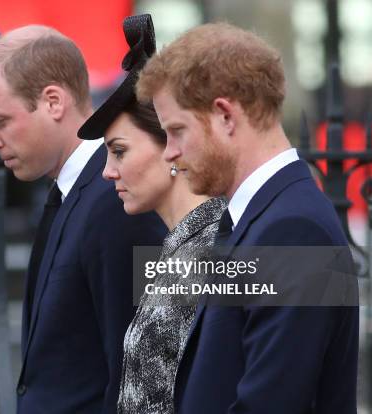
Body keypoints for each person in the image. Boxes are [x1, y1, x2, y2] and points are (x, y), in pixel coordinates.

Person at [136, 22, 359, 413]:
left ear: (225, 116)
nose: (168, 152)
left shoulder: (292, 231)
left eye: (176, 130)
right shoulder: (259, 217)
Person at [0, 25, 166, 413]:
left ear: (53, 101)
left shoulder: (116, 198)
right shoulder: (78, 191)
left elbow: (136, 374)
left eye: (0, 121)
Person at [78, 15, 226, 413]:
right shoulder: (179, 246)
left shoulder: (217, 247)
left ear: (171, 141)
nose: (108, 171)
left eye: (120, 150)